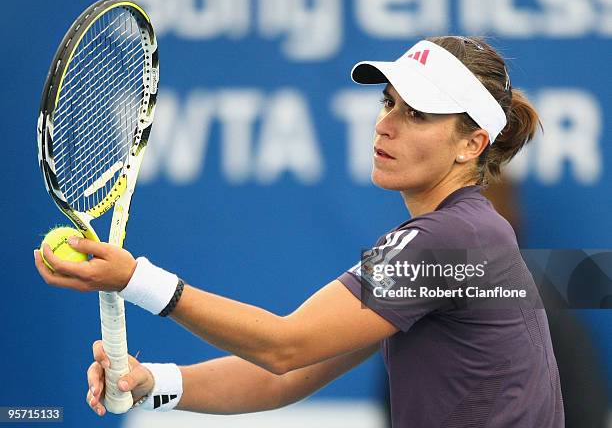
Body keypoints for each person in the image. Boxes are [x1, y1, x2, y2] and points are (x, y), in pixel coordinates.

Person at [34, 36, 564, 427]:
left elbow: (284, 346)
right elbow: (286, 375)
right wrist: (154, 385)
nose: (386, 124)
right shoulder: (464, 236)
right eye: (389, 103)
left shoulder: (452, 240)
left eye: (418, 114)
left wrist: (136, 280)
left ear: (471, 144)